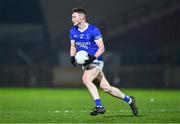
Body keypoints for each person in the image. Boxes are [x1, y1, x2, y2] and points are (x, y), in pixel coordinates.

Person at [69, 7, 138, 116]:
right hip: (86, 64)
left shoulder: (94, 30)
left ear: (82, 17)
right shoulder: (73, 31)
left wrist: (93, 57)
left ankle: (99, 106)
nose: (72, 19)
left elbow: (102, 48)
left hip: (96, 61)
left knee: (86, 79)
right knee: (107, 88)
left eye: (74, 16)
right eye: (72, 16)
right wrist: (72, 57)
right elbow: (73, 46)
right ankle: (130, 100)